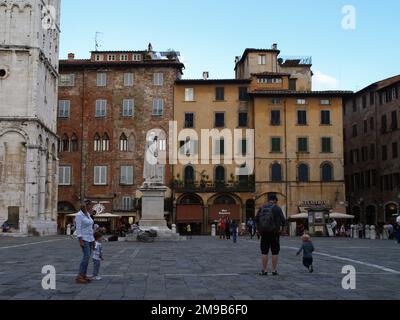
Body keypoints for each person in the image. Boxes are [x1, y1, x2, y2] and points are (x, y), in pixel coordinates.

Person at [255, 194, 286, 276]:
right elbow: (283, 220)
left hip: (264, 233)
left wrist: (258, 230)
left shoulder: (262, 207)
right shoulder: (277, 208)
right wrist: (283, 230)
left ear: (268, 200)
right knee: (275, 252)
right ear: (275, 200)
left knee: (264, 252)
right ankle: (274, 270)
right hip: (275, 233)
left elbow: (256, 219)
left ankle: (264, 270)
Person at [75, 200, 95, 284]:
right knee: (86, 256)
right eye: (89, 205)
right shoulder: (79, 215)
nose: (90, 207)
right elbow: (78, 228)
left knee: (88, 257)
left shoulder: (88, 215)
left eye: (91, 205)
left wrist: (93, 239)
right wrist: (80, 240)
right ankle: (79, 276)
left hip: (90, 238)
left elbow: (90, 228)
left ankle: (84, 275)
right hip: (84, 239)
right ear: (84, 205)